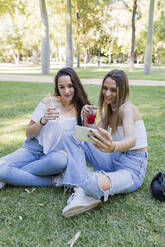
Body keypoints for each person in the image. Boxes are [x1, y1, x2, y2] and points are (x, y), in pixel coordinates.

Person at [61, 69, 148, 218]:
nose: (107, 93)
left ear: (122, 90)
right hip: (113, 159)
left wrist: (113, 147)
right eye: (105, 88)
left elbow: (131, 140)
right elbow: (93, 136)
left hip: (131, 168)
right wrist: (87, 119)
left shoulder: (127, 108)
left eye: (113, 90)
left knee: (93, 183)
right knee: (71, 135)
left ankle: (80, 184)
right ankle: (79, 183)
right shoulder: (109, 109)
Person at [0, 67, 90, 189]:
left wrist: (87, 121)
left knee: (60, 161)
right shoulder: (48, 102)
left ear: (76, 86)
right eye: (61, 87)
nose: (66, 91)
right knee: (2, 171)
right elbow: (29, 134)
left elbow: (85, 142)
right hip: (33, 149)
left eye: (70, 86)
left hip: (55, 157)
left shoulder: (83, 109)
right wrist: (43, 121)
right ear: (57, 88)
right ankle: (54, 181)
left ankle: (12, 175)